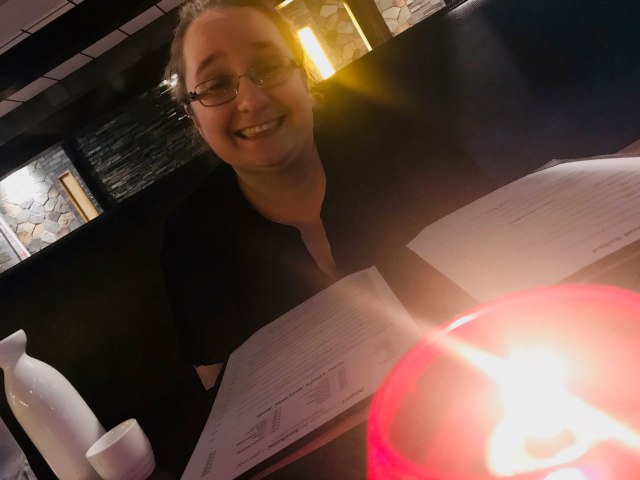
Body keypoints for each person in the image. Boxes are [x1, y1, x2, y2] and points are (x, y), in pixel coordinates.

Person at [161, 0, 492, 389]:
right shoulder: (192, 243)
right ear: (196, 119)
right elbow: (228, 396)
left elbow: (500, 246)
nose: (252, 101)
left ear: (304, 78)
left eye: (268, 67)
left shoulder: (402, 143)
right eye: (216, 84)